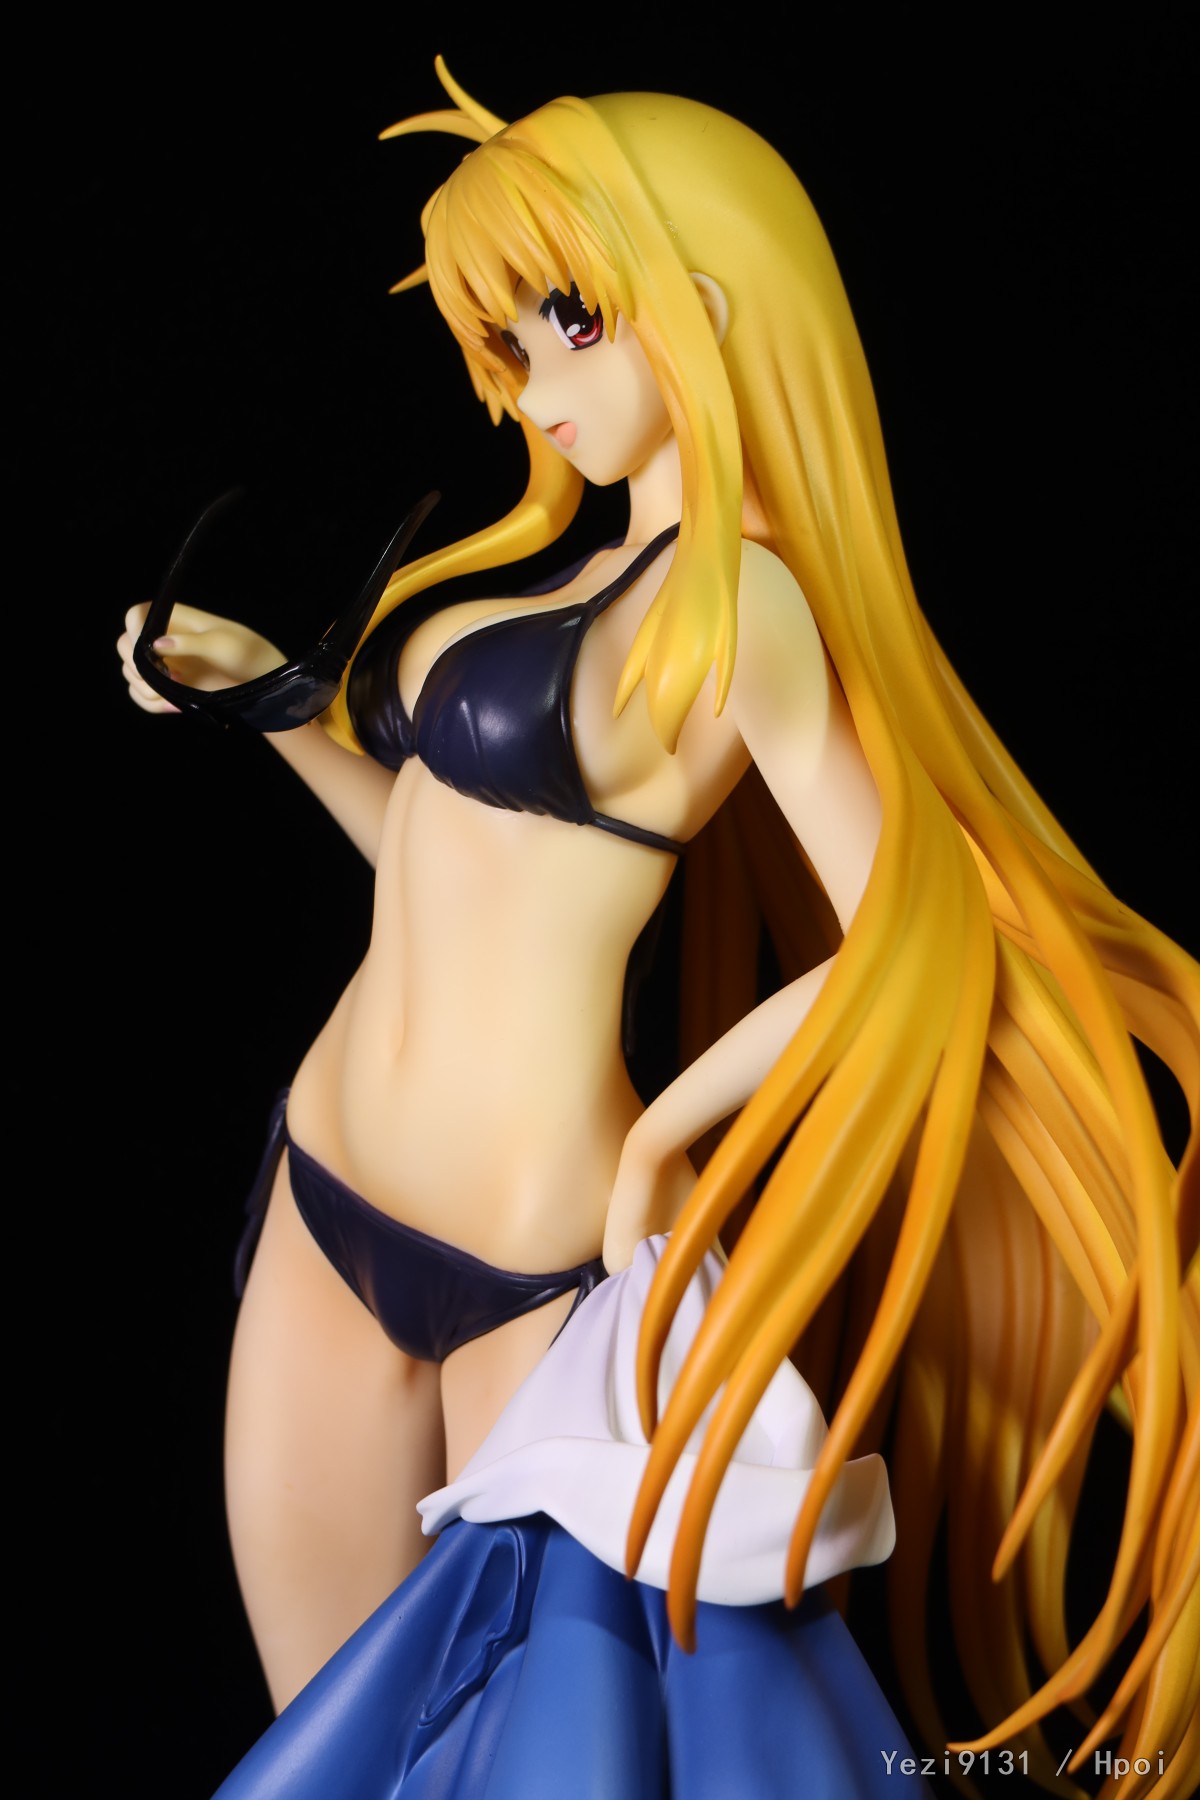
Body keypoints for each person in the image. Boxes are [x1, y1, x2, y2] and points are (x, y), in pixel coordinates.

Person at [117, 59, 1199, 1798]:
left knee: (519, 1760)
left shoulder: (743, 602)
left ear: (703, 305)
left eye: (568, 323)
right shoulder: (551, 572)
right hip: (324, 1193)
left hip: (538, 1263)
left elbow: (911, 939)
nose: (534, 388)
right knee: (325, 1754)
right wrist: (276, 708)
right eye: (505, 345)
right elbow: (436, 866)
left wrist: (665, 1137)